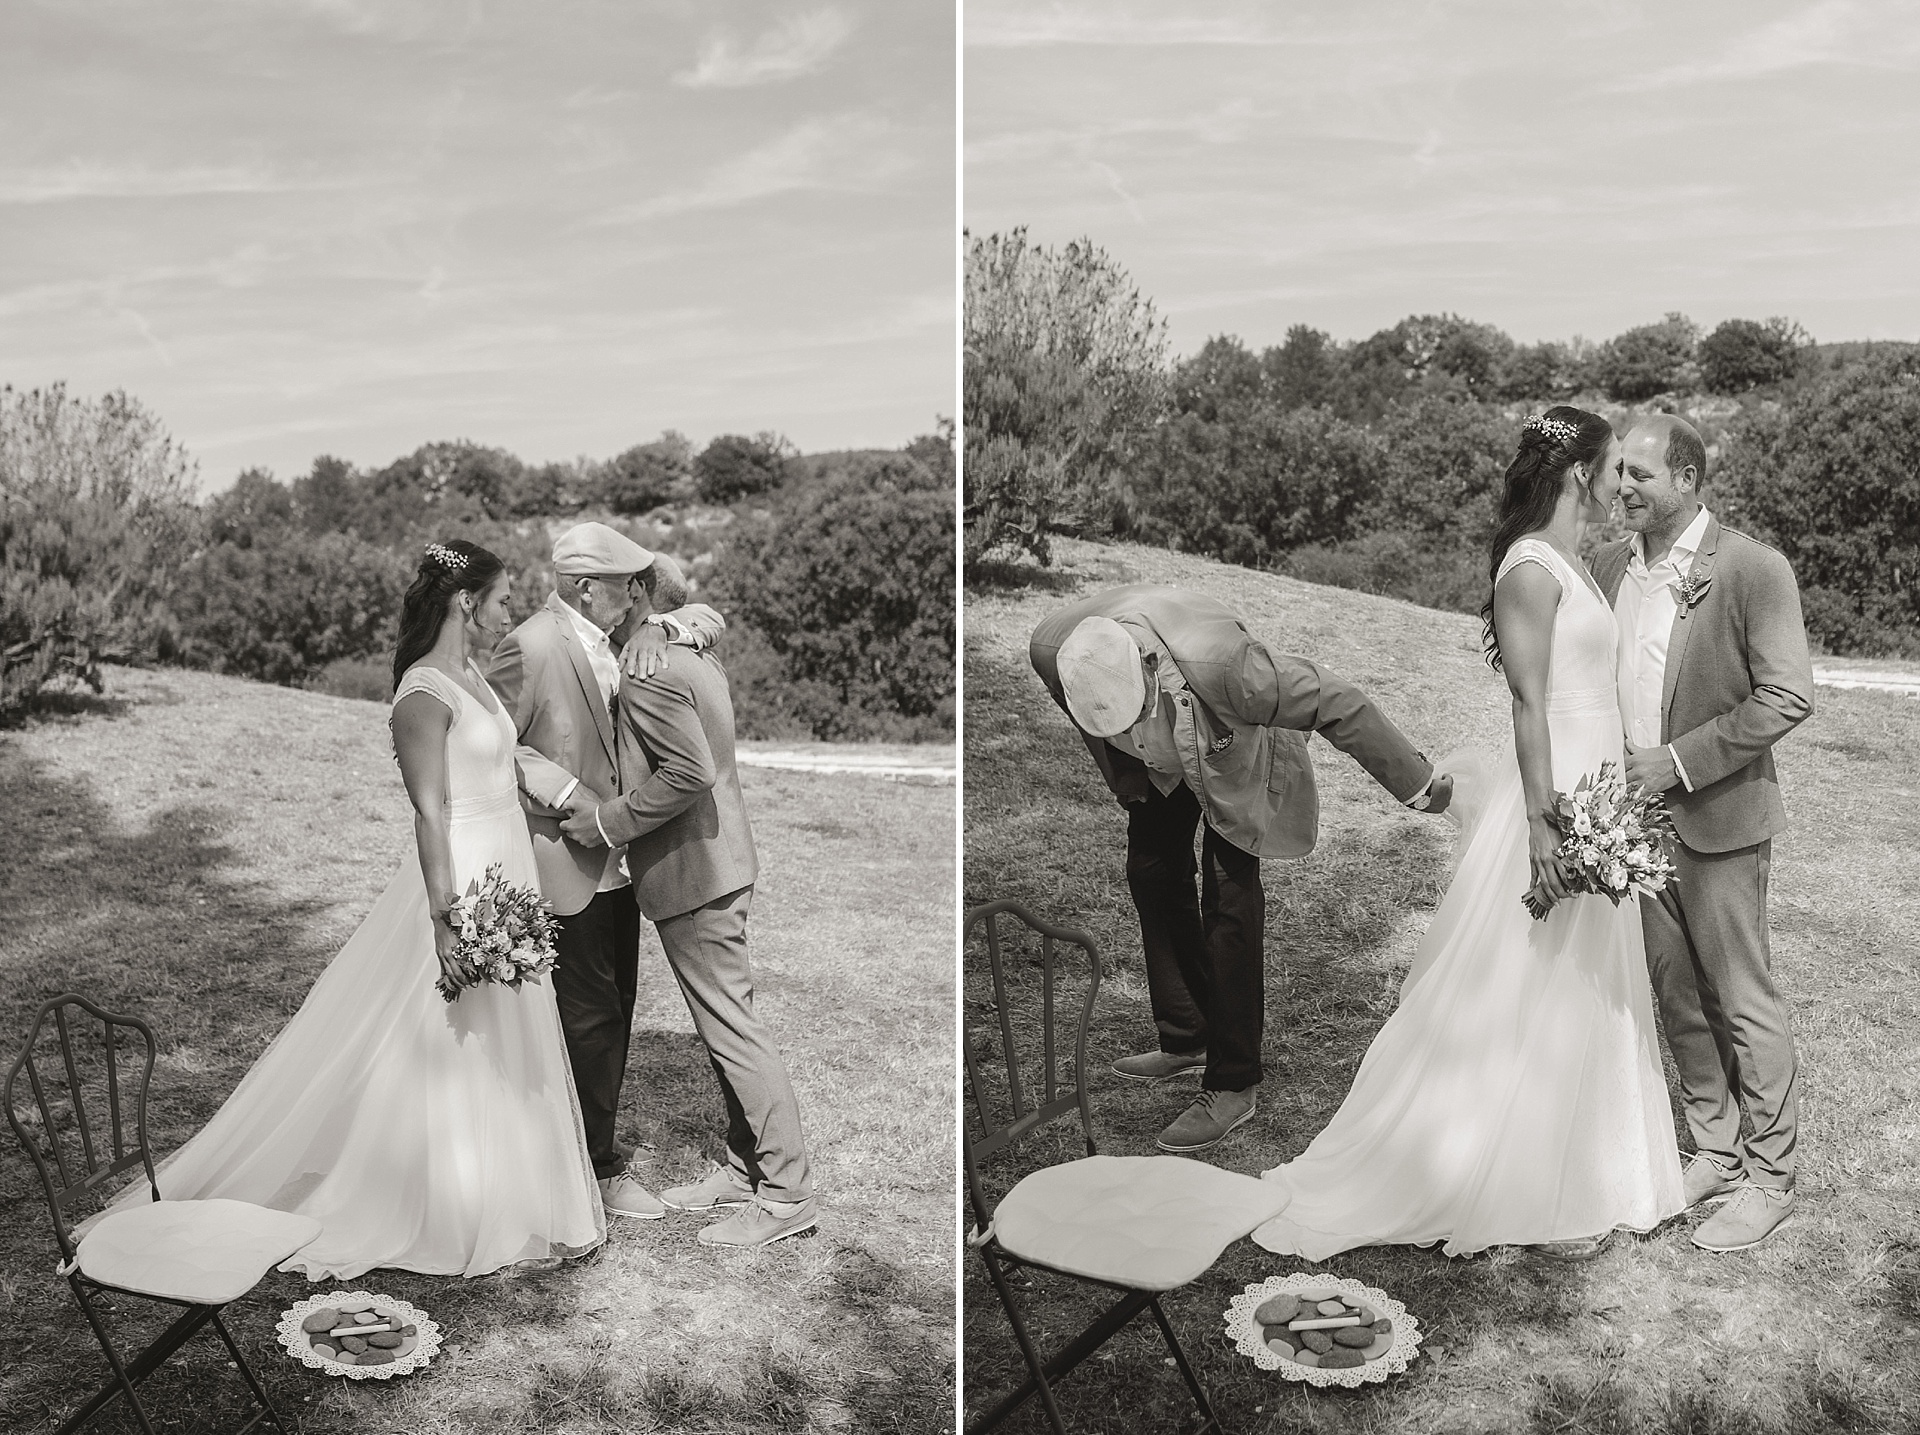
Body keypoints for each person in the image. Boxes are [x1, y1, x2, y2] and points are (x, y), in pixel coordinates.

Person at [99, 540, 604, 1279]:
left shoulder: (472, 676)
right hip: (462, 878)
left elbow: (503, 767)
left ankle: (513, 1196)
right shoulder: (423, 693)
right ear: (467, 601)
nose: (507, 613)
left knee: (505, 1032)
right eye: (500, 599)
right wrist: (445, 916)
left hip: (507, 871)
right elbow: (430, 813)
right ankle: (448, 1203)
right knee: (452, 1037)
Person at [1252, 407, 1686, 1262]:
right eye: (1610, 469)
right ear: (1576, 472)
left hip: (1598, 780)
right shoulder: (1530, 565)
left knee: (1583, 975)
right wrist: (1543, 819)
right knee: (1530, 976)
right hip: (1557, 787)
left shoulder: (1578, 559)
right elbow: (1529, 701)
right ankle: (1516, 1176)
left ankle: (1583, 1171)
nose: (1619, 484)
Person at [1028, 585, 1454, 1155]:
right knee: (1151, 870)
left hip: (1225, 740)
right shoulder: (1054, 651)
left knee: (1229, 897)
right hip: (1154, 757)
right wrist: (1130, 773)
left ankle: (1234, 1082)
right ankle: (1188, 1035)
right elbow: (1084, 712)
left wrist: (1420, 786)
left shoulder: (1233, 670)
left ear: (1150, 667)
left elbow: (1340, 703)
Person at [1594, 414, 1814, 1252]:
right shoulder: (1610, 564)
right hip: (1631, 827)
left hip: (1720, 816)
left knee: (1741, 994)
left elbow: (1787, 694)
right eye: (1618, 473)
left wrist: (1678, 762)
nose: (1622, 488)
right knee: (1676, 991)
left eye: (1639, 474)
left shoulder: (1754, 567)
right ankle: (1717, 1150)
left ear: (1687, 478)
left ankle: (1771, 1176)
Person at [561, 560, 818, 1248]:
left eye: (607, 585)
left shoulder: (650, 669)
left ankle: (788, 1192)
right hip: (721, 859)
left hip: (696, 872)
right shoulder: (689, 646)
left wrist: (610, 822)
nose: (592, 597)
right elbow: (704, 614)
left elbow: (689, 771)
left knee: (733, 1027)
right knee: (722, 1023)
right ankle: (743, 1165)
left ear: (639, 593)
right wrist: (670, 620)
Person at [484, 522, 724, 1221]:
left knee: (615, 1009)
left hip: (624, 863)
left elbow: (707, 616)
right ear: (587, 588)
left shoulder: (627, 635)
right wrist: (568, 793)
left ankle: (586, 1154)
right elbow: (491, 743)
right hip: (565, 860)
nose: (639, 594)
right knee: (587, 1020)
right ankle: (595, 1167)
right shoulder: (528, 645)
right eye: (628, 583)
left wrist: (667, 628)